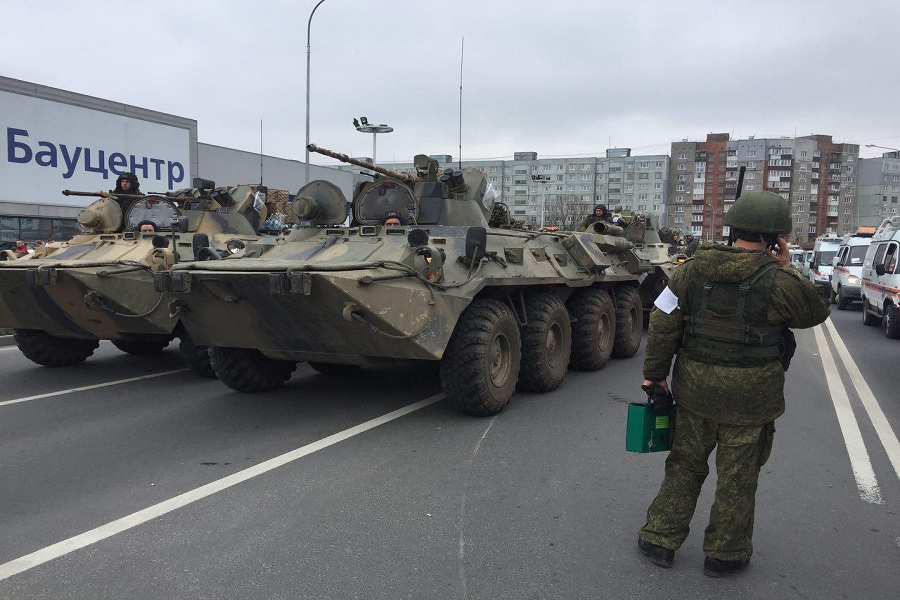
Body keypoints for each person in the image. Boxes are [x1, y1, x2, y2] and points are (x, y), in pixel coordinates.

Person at [636, 191, 830, 577]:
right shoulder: (779, 279)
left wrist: (655, 374)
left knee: (685, 465)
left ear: (733, 228)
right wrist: (787, 266)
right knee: (738, 477)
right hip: (751, 399)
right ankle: (725, 554)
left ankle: (659, 538)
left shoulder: (691, 269)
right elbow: (815, 312)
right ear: (775, 237)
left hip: (694, 391)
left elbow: (662, 322)